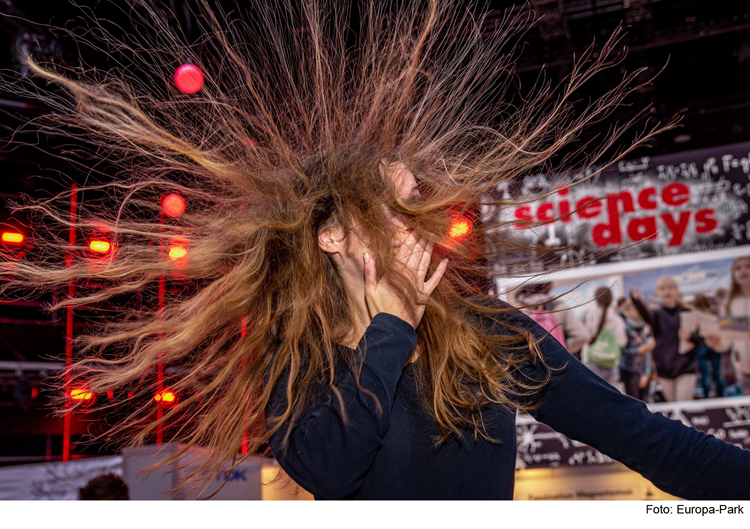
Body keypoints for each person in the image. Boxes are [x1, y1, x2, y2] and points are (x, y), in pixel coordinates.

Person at [1, 1, 748, 500]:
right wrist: (390, 327)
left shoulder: (490, 335)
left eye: (414, 204)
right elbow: (329, 463)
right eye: (389, 207)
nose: (411, 223)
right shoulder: (293, 364)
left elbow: (652, 442)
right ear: (330, 233)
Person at [630, 279, 698, 402]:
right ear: (657, 293)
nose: (667, 291)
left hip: (685, 368)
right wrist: (636, 300)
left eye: (670, 288)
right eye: (662, 288)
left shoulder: (687, 313)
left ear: (677, 290)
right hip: (664, 369)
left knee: (683, 407)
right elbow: (645, 315)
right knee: (673, 409)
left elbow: (700, 340)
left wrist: (690, 336)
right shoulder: (656, 315)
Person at [515, 282, 591, 359]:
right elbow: (582, 335)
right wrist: (564, 348)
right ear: (549, 286)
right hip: (556, 360)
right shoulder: (560, 306)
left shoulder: (517, 309)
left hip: (530, 361)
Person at [713, 256, 750, 395]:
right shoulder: (729, 304)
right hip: (743, 370)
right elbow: (727, 341)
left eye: (748, 266)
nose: (743, 271)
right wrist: (716, 343)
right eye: (738, 268)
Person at [581, 287, 626, 387]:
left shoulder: (589, 315)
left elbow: (584, 337)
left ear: (595, 299)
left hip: (591, 361)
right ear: (611, 300)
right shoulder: (617, 319)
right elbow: (622, 342)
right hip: (610, 363)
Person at [617, 297, 655, 401]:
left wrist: (647, 373)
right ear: (628, 311)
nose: (638, 312)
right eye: (634, 309)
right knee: (634, 402)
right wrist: (637, 351)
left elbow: (648, 353)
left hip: (644, 371)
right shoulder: (624, 328)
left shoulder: (646, 327)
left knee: (647, 402)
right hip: (629, 370)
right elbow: (620, 351)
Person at [691, 294, 726, 398]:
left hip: (701, 347)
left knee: (704, 374)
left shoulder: (694, 316)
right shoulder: (714, 314)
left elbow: (693, 333)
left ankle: (706, 397)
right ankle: (721, 395)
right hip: (714, 346)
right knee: (717, 373)